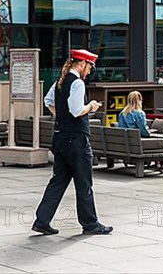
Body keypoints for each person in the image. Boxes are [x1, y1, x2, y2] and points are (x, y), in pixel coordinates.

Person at [32, 49, 113, 236]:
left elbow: (48, 101)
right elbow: (77, 110)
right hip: (76, 139)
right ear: (82, 63)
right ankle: (90, 223)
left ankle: (42, 220)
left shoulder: (60, 81)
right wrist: (91, 106)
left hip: (60, 136)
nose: (90, 71)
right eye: (90, 67)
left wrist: (61, 117)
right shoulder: (77, 83)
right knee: (84, 182)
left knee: (58, 180)